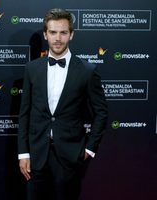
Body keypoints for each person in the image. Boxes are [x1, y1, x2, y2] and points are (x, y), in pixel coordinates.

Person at [18, 8, 108, 200]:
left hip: (69, 157)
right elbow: (24, 113)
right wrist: (23, 153)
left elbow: (101, 112)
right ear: (45, 34)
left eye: (63, 32)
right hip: (36, 155)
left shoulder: (87, 71)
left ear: (71, 34)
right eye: (52, 32)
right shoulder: (32, 69)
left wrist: (89, 149)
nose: (57, 38)